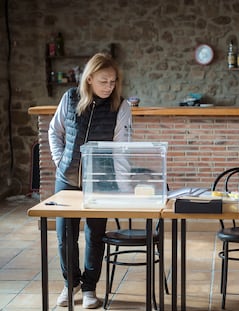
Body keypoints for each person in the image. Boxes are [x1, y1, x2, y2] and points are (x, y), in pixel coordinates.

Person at [48, 53, 131, 309]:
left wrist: (125, 189)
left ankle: (89, 288)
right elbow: (55, 131)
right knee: (65, 236)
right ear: (90, 78)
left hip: (100, 181)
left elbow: (121, 150)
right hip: (67, 179)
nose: (109, 86)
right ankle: (70, 283)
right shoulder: (70, 98)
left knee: (95, 235)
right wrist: (61, 161)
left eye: (113, 81)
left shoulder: (121, 106)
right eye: (104, 81)